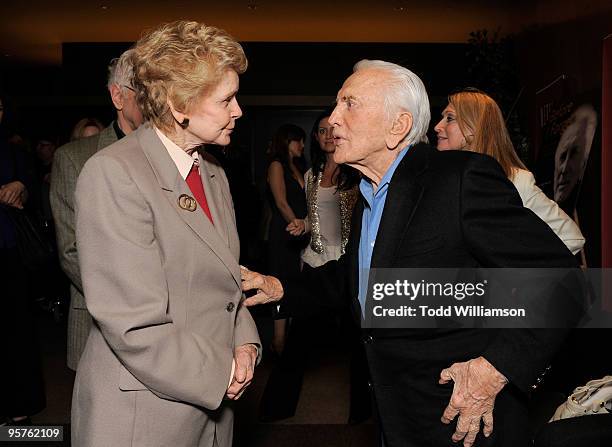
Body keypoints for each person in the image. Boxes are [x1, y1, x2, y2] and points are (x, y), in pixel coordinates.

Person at [241, 60, 580, 447]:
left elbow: (563, 280)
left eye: (349, 104)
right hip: (395, 415)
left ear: (397, 126)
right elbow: (356, 281)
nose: (333, 118)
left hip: (462, 421)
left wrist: (497, 368)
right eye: (337, 104)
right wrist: (280, 287)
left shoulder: (459, 178)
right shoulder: (367, 193)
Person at [71, 21, 260, 447]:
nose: (238, 111)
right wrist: (224, 371)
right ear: (179, 104)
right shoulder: (114, 173)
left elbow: (226, 281)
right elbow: (133, 323)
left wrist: (245, 343)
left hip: (212, 404)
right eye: (227, 99)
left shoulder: (211, 171)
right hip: (145, 413)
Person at [50, 49, 144, 371]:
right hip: (99, 320)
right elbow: (71, 249)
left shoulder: (174, 155)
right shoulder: (74, 158)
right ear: (118, 95)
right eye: (144, 91)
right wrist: (134, 301)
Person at [434, 88, 585, 255]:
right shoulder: (439, 180)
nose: (437, 126)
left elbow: (571, 238)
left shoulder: (515, 181)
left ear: (473, 127)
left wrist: (519, 276)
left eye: (449, 118)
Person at [0, 94, 46, 425]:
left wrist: (20, 188)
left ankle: (17, 404)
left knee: (15, 330)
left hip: (9, 249)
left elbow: (30, 190)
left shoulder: (12, 151)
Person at [266, 123, 308, 355]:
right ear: (286, 141)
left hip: (299, 233)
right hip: (284, 234)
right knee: (280, 282)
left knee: (295, 283)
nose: (302, 145)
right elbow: (281, 202)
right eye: (298, 140)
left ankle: (289, 340)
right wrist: (297, 225)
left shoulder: (298, 167)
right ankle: (279, 340)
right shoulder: (276, 165)